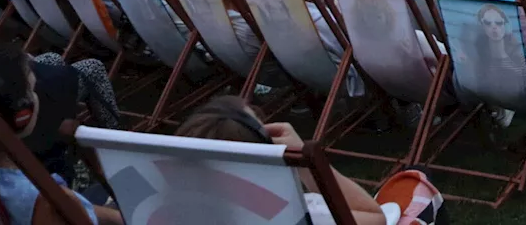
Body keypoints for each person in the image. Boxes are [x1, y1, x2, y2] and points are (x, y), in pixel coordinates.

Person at [175, 96, 446, 225]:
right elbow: (375, 218)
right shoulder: (298, 216)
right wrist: (304, 160)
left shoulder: (164, 213)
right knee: (416, 178)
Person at [0, 42, 124, 225]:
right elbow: (58, 209)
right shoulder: (42, 199)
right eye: (33, 89)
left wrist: (117, 218)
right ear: (22, 114)